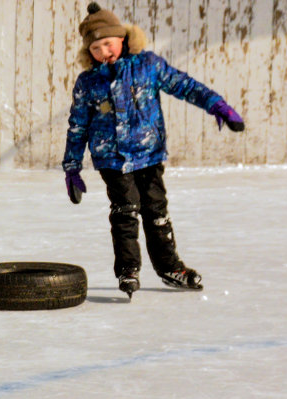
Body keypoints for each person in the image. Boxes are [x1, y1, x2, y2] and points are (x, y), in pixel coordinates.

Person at [62, 3, 244, 299]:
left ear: (122, 38)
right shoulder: (88, 82)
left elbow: (184, 85)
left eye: (107, 43)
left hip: (149, 155)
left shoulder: (148, 65)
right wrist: (71, 167)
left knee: (156, 212)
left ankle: (169, 267)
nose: (103, 52)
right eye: (95, 48)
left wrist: (216, 105)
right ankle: (128, 270)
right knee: (125, 212)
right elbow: (77, 126)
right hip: (113, 160)